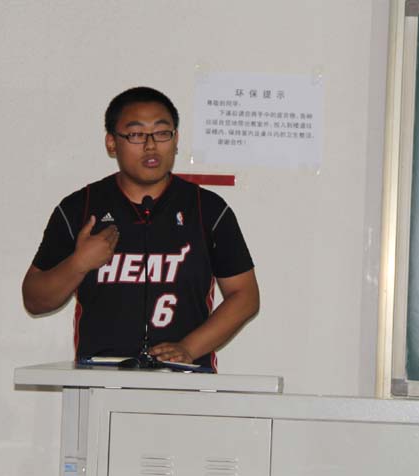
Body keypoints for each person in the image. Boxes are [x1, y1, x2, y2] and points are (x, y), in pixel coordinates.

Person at [22, 86, 259, 369]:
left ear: (176, 139)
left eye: (161, 133)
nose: (150, 145)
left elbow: (245, 296)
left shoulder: (207, 209)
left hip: (185, 377)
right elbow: (34, 299)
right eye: (135, 134)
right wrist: (79, 264)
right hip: (98, 377)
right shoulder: (80, 208)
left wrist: (188, 348)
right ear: (112, 143)